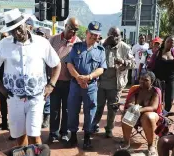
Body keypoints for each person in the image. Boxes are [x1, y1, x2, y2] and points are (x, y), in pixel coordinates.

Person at [0, 9, 61, 146]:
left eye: (19, 28)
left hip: (36, 98)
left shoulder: (42, 43)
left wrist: (51, 85)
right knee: (20, 138)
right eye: (12, 30)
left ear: (26, 25)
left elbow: (57, 65)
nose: (17, 33)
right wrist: (0, 87)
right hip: (14, 99)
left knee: (34, 136)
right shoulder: (4, 45)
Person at [66, 21, 107, 149]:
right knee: (72, 110)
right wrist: (78, 78)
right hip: (75, 85)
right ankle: (73, 136)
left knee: (90, 112)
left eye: (96, 35)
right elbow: (69, 64)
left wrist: (89, 77)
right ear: (87, 33)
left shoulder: (100, 50)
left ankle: (87, 138)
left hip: (91, 86)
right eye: (92, 34)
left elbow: (102, 68)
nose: (94, 37)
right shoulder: (76, 47)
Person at [91, 27, 134, 138]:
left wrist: (123, 61)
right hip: (101, 83)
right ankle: (93, 125)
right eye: (112, 35)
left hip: (116, 84)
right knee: (98, 107)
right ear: (108, 35)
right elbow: (93, 57)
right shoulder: (100, 45)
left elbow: (133, 63)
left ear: (120, 36)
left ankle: (109, 129)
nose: (115, 38)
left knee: (112, 109)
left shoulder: (125, 47)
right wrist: (105, 44)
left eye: (117, 35)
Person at [48, 17, 80, 144]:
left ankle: (64, 133)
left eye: (76, 30)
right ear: (66, 26)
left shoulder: (77, 43)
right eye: (72, 29)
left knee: (67, 109)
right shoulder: (54, 40)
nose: (73, 32)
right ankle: (53, 133)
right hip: (54, 82)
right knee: (54, 108)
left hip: (69, 83)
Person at [121, 72, 162, 156]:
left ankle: (151, 145)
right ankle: (126, 142)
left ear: (152, 82)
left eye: (146, 80)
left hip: (152, 115)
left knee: (148, 116)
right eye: (141, 79)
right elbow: (130, 103)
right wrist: (133, 108)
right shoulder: (135, 90)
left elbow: (153, 107)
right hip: (137, 114)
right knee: (128, 113)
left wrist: (139, 110)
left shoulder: (155, 91)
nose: (142, 81)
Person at [148, 35, 174, 112]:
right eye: (168, 41)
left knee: (170, 99)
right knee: (158, 98)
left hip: (171, 78)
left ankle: (165, 113)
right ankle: (158, 114)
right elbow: (150, 65)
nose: (170, 44)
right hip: (158, 78)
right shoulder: (158, 52)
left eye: (172, 42)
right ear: (164, 42)